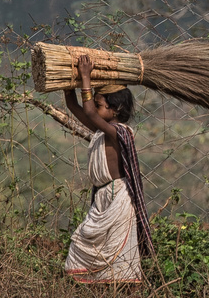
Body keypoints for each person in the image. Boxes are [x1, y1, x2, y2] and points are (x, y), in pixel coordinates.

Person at [61, 52, 154, 284]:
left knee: (121, 259)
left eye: (100, 103)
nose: (94, 107)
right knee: (83, 245)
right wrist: (68, 81)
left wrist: (85, 77)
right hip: (103, 197)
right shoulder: (102, 130)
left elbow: (89, 111)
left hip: (119, 198)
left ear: (116, 109)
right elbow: (74, 105)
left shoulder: (120, 133)